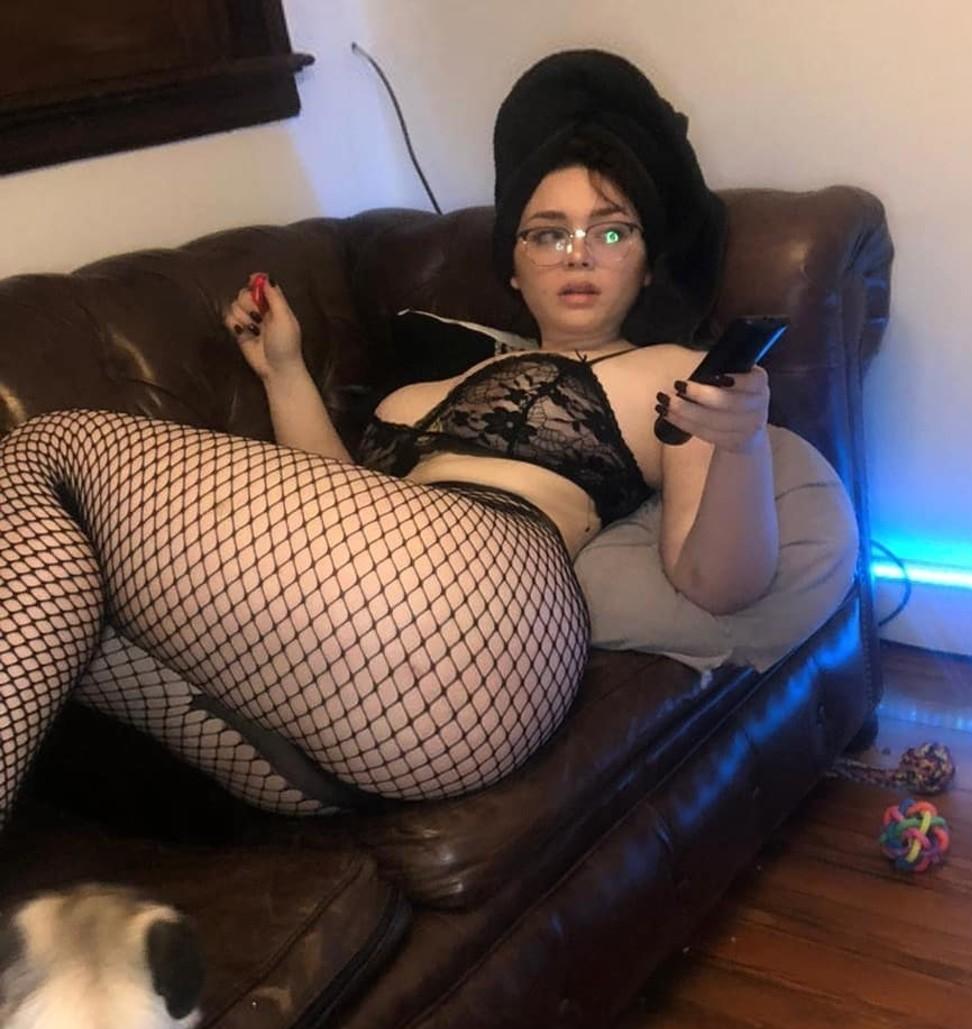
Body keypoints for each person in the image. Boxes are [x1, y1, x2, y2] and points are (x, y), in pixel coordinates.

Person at [0, 50, 777, 826]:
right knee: (76, 608)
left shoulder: (677, 371)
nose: (577, 252)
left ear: (646, 265)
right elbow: (333, 514)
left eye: (610, 233)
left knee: (46, 448)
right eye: (547, 234)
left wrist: (742, 446)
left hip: (494, 628)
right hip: (358, 689)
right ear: (513, 266)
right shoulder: (423, 388)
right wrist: (282, 369)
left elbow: (720, 585)